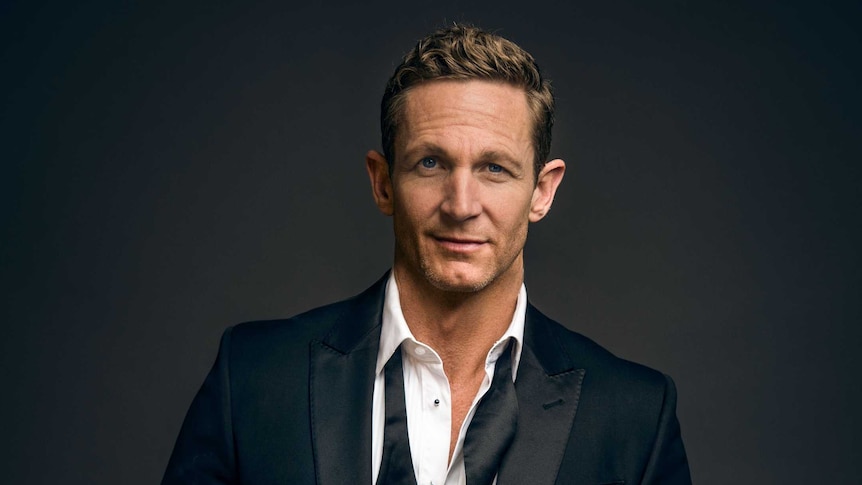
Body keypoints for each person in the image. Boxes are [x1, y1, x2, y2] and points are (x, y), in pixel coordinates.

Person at [162, 24, 691, 485]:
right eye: (431, 163)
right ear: (383, 182)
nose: (461, 206)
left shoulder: (635, 414)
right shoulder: (254, 377)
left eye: (495, 169)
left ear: (543, 191)